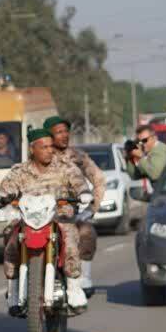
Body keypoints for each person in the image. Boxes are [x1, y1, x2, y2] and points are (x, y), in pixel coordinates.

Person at [0, 128, 91, 313]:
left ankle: (74, 288)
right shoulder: (20, 171)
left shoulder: (65, 167)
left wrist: (83, 193)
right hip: (28, 219)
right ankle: (14, 289)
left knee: (71, 241)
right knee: (10, 240)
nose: (50, 150)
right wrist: (0, 197)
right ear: (32, 149)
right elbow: (5, 189)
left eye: (51, 146)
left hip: (59, 216)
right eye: (44, 147)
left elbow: (79, 183)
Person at [46, 116, 107, 293]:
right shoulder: (41, 155)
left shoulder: (78, 156)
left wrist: (91, 209)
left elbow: (99, 179)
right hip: (42, 213)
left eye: (66, 131)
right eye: (59, 132)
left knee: (87, 232)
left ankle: (84, 278)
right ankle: (19, 281)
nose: (64, 135)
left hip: (70, 213)